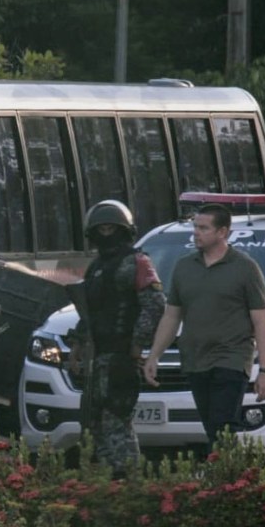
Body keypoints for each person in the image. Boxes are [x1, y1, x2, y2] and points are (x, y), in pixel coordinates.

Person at [144, 203, 265, 451]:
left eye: (203, 228)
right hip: (195, 359)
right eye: (195, 227)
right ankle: (227, 478)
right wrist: (154, 355)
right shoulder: (184, 266)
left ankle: (229, 481)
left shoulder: (244, 268)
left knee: (223, 423)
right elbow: (172, 316)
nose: (196, 233)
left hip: (231, 358)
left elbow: (260, 321)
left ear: (222, 232)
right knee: (212, 427)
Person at [66, 201, 166, 478]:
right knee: (96, 424)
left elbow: (155, 305)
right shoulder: (96, 267)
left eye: (112, 228)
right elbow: (89, 313)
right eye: (101, 229)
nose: (106, 233)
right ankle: (109, 485)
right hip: (98, 359)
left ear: (124, 230)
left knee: (116, 422)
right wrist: (77, 347)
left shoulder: (137, 262)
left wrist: (136, 344)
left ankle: (130, 484)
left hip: (121, 358)